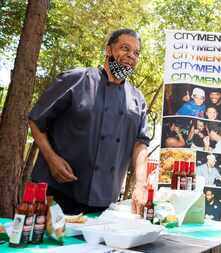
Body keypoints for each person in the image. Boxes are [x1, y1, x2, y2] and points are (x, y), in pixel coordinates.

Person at [29, 29, 150, 215]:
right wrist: (52, 159)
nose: (131, 56)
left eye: (136, 52)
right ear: (108, 50)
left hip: (103, 199)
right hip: (57, 190)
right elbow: (36, 119)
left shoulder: (137, 99)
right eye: (125, 48)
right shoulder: (76, 79)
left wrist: (141, 185)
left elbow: (140, 145)